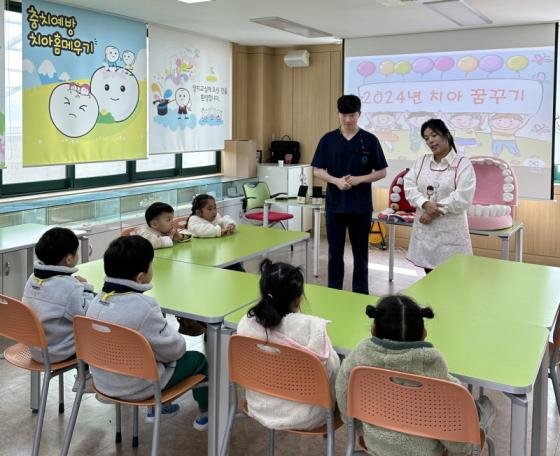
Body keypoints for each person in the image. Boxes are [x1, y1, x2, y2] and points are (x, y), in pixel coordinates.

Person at [335, 295, 496, 456]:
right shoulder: (434, 368)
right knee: (483, 407)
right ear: (424, 333)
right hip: (425, 452)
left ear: (373, 330)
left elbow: (342, 393)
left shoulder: (359, 358)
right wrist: (462, 449)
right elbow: (456, 428)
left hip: (376, 445)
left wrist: (357, 427)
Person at [86, 236, 209, 429]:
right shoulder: (144, 307)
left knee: (149, 352)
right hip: (139, 387)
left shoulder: (95, 302)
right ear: (141, 276)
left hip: (104, 382)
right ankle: (206, 412)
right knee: (199, 360)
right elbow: (174, 350)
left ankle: (158, 408)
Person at [237, 259, 340, 430]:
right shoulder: (311, 329)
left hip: (259, 405)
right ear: (298, 299)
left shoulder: (245, 324)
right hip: (306, 415)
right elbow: (331, 371)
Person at [311, 95, 388, 294]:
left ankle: (360, 294)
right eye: (344, 115)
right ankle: (334, 292)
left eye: (352, 115)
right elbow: (317, 170)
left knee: (360, 254)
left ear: (359, 114)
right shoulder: (328, 140)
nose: (348, 120)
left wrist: (359, 179)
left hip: (360, 207)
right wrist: (335, 181)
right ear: (338, 115)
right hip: (335, 206)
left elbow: (382, 171)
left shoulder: (370, 140)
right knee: (334, 254)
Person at [404, 118, 476, 274]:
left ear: (446, 135)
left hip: (450, 235)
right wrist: (424, 203)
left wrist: (433, 212)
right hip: (426, 234)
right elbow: (409, 186)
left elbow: (463, 196)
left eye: (434, 135)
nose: (430, 141)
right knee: (429, 277)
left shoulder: (463, 164)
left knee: (452, 279)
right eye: (426, 138)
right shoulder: (421, 161)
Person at [23, 227, 95, 364]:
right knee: (94, 334)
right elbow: (89, 315)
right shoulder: (69, 287)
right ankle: (84, 378)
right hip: (59, 352)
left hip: (35, 348)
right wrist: (85, 288)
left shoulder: (32, 278)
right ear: (68, 259)